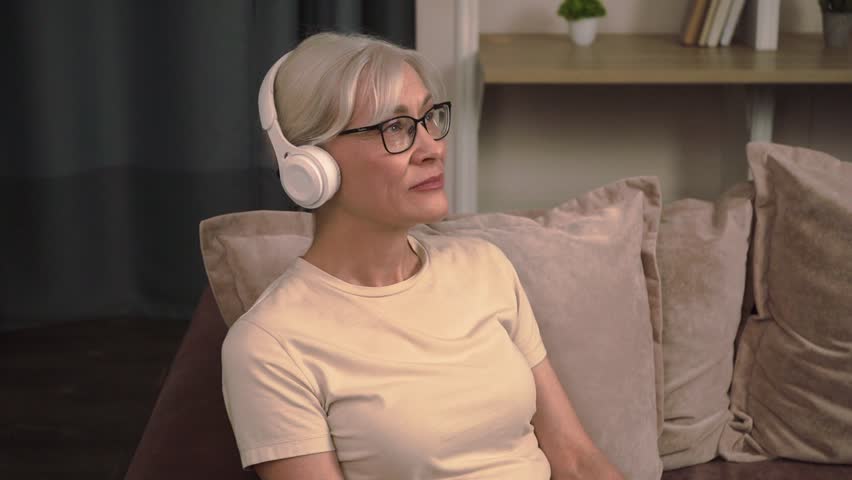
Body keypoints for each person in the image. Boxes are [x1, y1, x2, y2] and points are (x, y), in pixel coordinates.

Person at [221, 31, 623, 480]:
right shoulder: (269, 345)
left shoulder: (484, 267)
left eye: (430, 117)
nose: (432, 148)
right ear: (311, 167)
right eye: (395, 127)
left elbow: (574, 455)